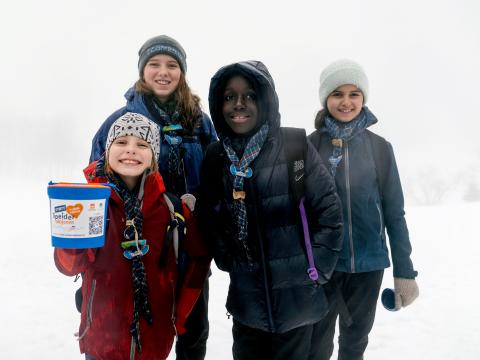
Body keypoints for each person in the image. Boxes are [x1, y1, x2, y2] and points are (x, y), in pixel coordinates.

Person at [199, 60, 343, 360]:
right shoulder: (215, 157)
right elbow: (209, 217)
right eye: (229, 97)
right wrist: (227, 257)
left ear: (266, 100)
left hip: (298, 302)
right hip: (247, 305)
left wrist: (316, 270)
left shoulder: (294, 146)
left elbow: (329, 212)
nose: (239, 105)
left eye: (250, 95)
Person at [89, 35, 217, 360]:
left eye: (172, 65)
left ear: (182, 73)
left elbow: (218, 175)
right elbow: (98, 182)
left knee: (192, 332)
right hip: (137, 254)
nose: (163, 72)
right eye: (154, 65)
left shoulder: (200, 123)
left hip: (190, 248)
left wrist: (202, 206)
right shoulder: (120, 121)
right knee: (136, 335)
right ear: (142, 71)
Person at [54, 112, 210, 360]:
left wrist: (178, 317)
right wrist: (70, 234)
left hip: (154, 345)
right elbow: (70, 266)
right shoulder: (91, 203)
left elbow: (198, 263)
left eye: (142, 144)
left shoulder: (171, 210)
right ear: (108, 150)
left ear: (154, 156)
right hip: (100, 345)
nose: (131, 150)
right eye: (121, 142)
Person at [307, 59, 419, 360]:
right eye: (337, 94)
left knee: (355, 344)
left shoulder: (380, 148)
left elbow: (395, 214)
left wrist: (404, 271)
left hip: (368, 267)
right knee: (316, 346)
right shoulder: (309, 147)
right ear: (325, 98)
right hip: (322, 268)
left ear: (363, 98)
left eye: (354, 94)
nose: (346, 102)